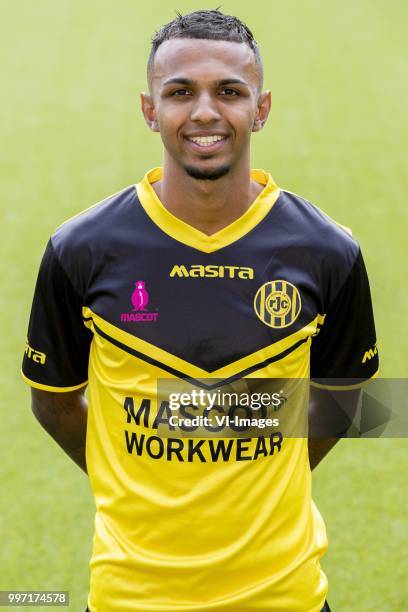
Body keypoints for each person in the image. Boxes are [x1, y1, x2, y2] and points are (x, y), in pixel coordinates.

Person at [22, 9, 379, 612]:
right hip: (129, 597)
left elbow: (346, 398)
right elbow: (52, 400)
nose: (206, 113)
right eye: (181, 92)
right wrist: (133, 474)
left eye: (231, 92)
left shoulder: (329, 252)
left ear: (261, 109)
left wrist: (255, 444)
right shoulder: (78, 250)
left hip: (284, 595)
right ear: (149, 109)